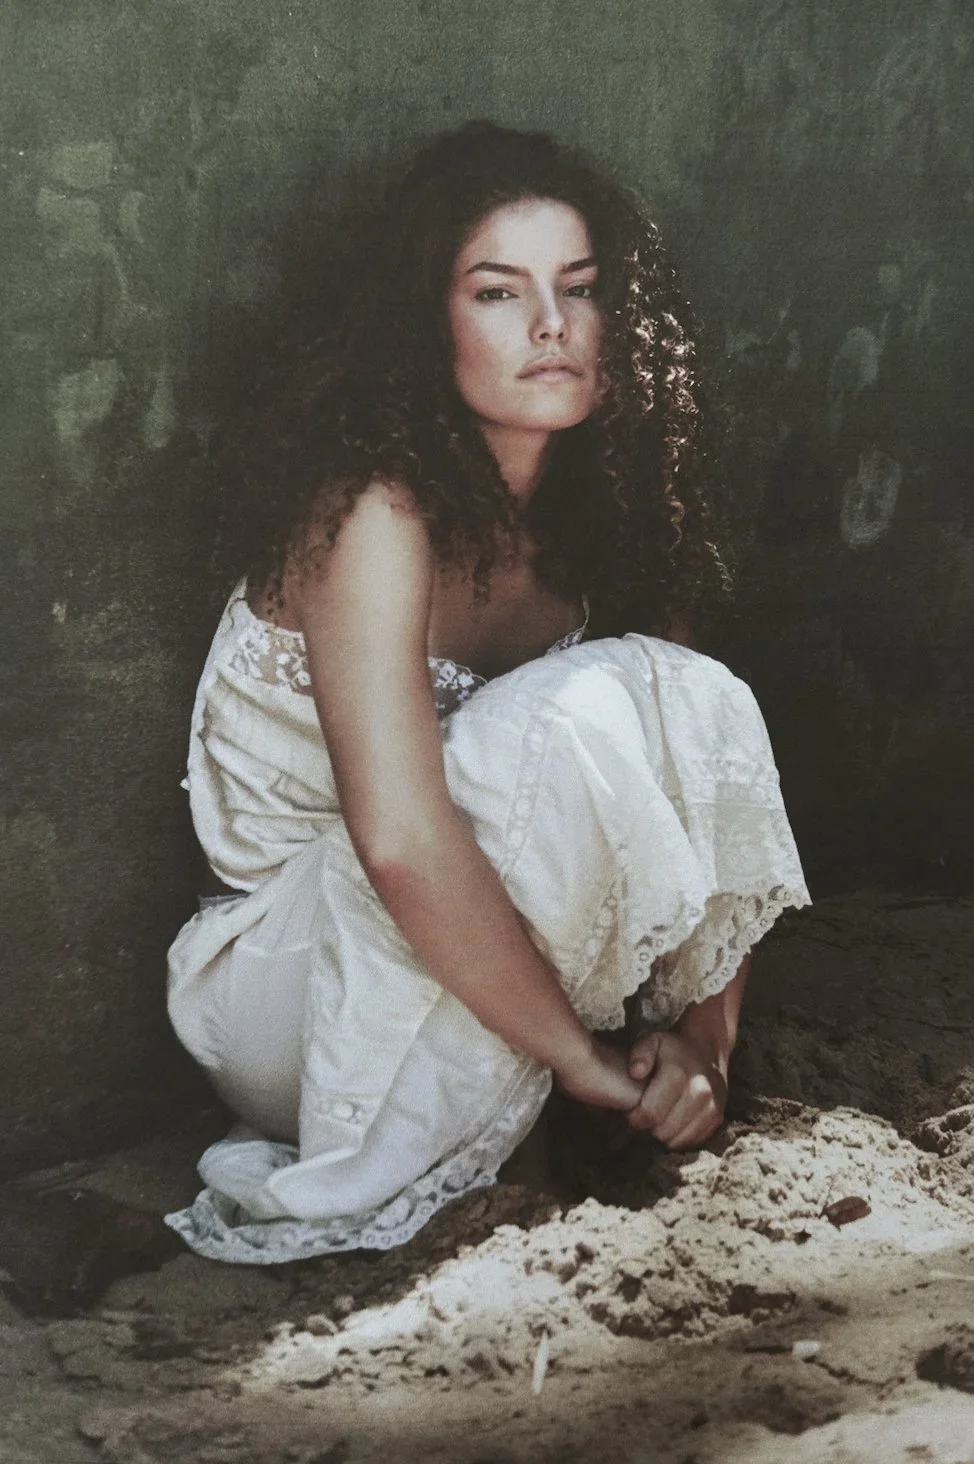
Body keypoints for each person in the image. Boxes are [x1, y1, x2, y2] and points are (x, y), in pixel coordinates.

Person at [166, 122, 809, 1263]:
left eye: (580, 288)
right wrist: (580, 1061)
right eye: (499, 292)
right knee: (578, 712)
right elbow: (401, 840)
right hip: (294, 998)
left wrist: (706, 1042)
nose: (550, 323)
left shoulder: (607, 517)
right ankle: (542, 1091)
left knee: (691, 688)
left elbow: (698, 758)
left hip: (479, 976)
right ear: (431, 326)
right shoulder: (372, 513)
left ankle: (586, 1078)